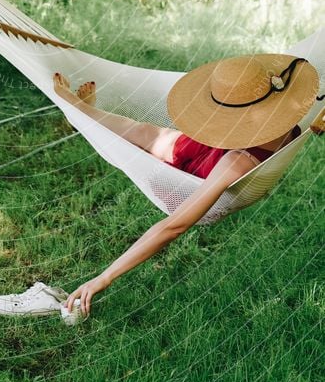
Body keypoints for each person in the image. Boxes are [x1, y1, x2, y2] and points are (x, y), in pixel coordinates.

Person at [53, 53, 319, 318]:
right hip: (221, 140)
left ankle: (81, 114)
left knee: (142, 147)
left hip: (188, 183)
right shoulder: (286, 113)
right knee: (146, 132)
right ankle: (84, 112)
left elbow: (174, 226)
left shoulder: (237, 164)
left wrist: (104, 277)